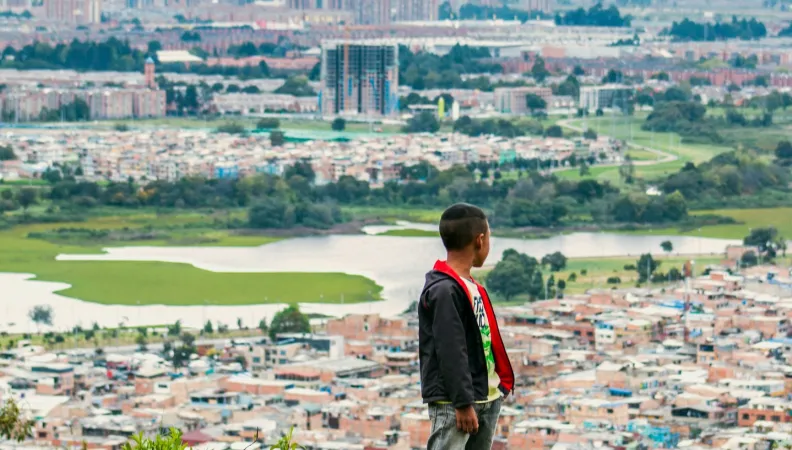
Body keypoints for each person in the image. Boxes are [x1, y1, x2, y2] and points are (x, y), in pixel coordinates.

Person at [418, 203, 515, 450]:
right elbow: (450, 349)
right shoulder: (444, 290)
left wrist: (500, 385)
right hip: (457, 404)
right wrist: (462, 403)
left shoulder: (471, 287)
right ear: (480, 240)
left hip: (487, 395)